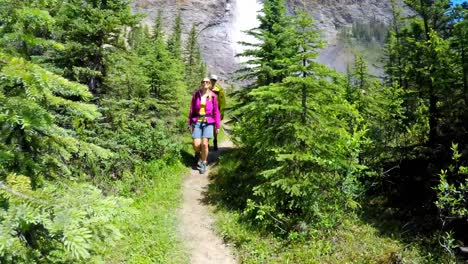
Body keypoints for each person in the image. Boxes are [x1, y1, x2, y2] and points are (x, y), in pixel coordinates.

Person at [188, 77, 221, 174]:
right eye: (203, 81)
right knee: (196, 144)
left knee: (205, 143)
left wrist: (217, 126)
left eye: (207, 82)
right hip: (197, 121)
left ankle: (203, 162)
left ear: (210, 84)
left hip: (209, 122)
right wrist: (189, 123)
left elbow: (216, 112)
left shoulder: (213, 96)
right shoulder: (196, 95)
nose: (205, 83)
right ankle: (198, 153)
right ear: (201, 83)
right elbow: (191, 110)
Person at [209, 74, 226, 151]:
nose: (213, 82)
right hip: (208, 112)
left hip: (216, 112)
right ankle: (207, 143)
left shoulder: (219, 90)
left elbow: (222, 102)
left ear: (216, 81)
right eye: (212, 80)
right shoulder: (207, 89)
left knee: (216, 128)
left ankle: (215, 141)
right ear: (210, 80)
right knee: (208, 127)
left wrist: (221, 113)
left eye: (214, 80)